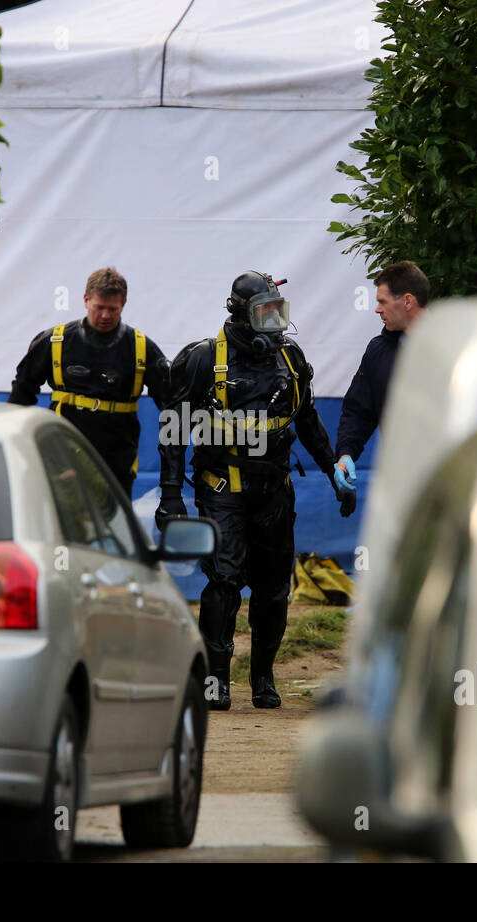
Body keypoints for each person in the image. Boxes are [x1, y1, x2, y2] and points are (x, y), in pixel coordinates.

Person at [157, 271, 354, 711]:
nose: (275, 321)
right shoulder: (203, 360)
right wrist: (171, 496)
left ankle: (263, 676)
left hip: (274, 492)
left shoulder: (289, 359)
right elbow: (173, 431)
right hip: (223, 488)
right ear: (240, 312)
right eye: (264, 312)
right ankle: (216, 679)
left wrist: (333, 472)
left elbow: (307, 422)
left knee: (274, 589)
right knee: (224, 582)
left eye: (277, 311)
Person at [8, 267, 170, 497]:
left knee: (112, 525)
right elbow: (20, 395)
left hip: (117, 461)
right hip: (63, 455)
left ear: (123, 304)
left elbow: (170, 403)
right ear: (86, 300)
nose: (105, 316)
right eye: (99, 307)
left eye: (112, 309)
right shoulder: (54, 341)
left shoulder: (142, 349)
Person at [333, 260, 430, 494]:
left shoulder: (456, 347)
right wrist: (346, 454)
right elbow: (358, 411)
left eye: (382, 302)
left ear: (407, 301)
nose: (377, 309)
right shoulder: (378, 351)